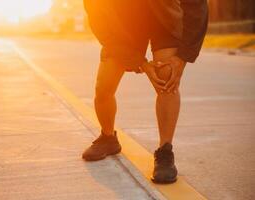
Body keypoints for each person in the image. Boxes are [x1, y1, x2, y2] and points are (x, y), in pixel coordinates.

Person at [82, 0, 208, 184]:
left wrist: (183, 56)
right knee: (103, 87)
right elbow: (98, 16)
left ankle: (165, 151)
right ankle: (108, 138)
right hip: (124, 21)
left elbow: (196, 5)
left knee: (167, 79)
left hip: (165, 18)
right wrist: (138, 62)